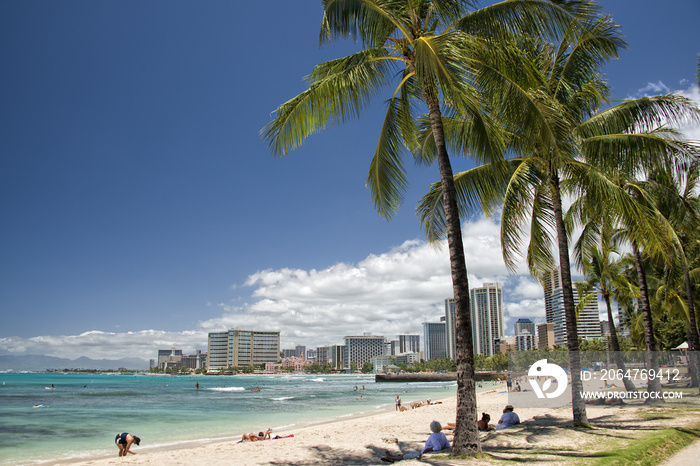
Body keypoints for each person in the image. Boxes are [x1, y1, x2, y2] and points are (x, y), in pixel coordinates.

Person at [381, 421, 450, 462]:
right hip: (428, 453)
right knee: (409, 453)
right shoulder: (442, 434)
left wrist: (428, 449)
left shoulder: (433, 436)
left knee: (407, 456)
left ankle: (392, 457)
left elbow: (437, 447)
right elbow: (447, 445)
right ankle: (393, 456)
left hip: (425, 454)